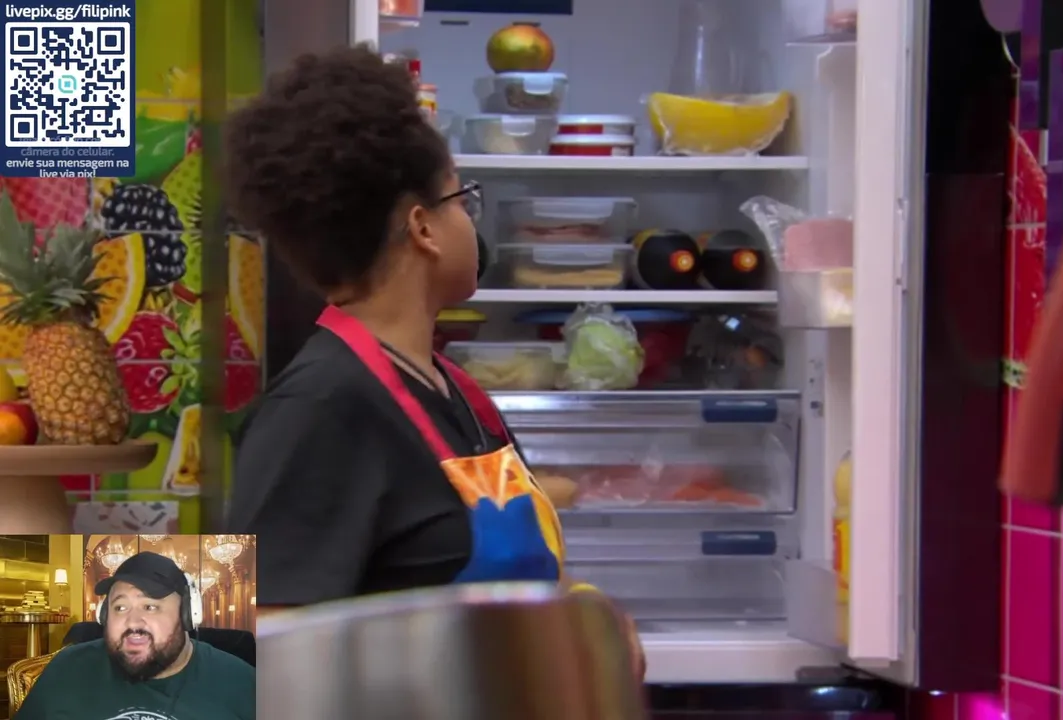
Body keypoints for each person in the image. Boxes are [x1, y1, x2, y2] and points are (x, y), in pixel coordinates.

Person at [222, 45, 645, 680]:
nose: (470, 220)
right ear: (423, 228)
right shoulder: (320, 407)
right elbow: (264, 656)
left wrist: (579, 620)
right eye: (462, 198)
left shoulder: (453, 391)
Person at [14, 552, 255, 720]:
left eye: (150, 606)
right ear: (104, 616)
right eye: (120, 607)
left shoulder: (243, 684)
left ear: (187, 616)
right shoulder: (66, 669)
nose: (132, 622)